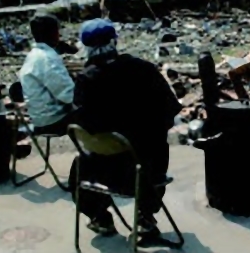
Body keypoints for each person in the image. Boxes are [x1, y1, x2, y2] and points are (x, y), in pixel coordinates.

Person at [69, 18, 182, 238]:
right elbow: (169, 112)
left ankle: (100, 217)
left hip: (101, 172)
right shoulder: (144, 70)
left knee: (80, 161)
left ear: (86, 48)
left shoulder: (85, 80)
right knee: (158, 146)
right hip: (144, 172)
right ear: (115, 41)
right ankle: (145, 217)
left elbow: (82, 124)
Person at [19, 14, 76, 136]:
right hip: (53, 121)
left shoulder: (33, 55)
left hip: (39, 119)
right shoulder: (47, 59)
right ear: (54, 33)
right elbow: (68, 95)